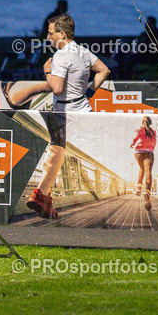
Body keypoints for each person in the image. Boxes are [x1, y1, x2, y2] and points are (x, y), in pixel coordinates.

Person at [26, 14, 110, 219]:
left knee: (58, 150)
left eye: (50, 33)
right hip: (83, 109)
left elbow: (56, 88)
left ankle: (43, 194)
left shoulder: (61, 56)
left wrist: (46, 71)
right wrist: (89, 92)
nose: (48, 38)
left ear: (62, 34)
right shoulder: (83, 52)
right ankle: (45, 195)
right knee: (69, 152)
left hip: (64, 111)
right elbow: (104, 70)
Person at [131, 116, 156, 211]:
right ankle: (148, 191)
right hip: (149, 152)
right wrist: (151, 149)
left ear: (142, 122)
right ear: (150, 123)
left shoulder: (140, 130)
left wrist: (132, 144)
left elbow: (135, 138)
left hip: (138, 152)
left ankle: (139, 188)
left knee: (142, 168)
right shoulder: (154, 132)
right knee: (148, 170)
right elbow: (154, 142)